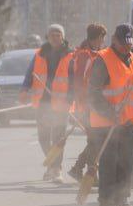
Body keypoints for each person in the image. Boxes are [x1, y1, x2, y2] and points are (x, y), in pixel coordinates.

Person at [87, 24, 133, 206]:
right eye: (124, 44)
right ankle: (106, 201)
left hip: (127, 121)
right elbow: (93, 94)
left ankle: (123, 200)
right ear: (114, 40)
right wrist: (111, 113)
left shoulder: (132, 57)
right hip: (106, 123)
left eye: (130, 44)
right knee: (109, 163)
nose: (128, 47)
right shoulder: (102, 60)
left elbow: (130, 85)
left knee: (126, 162)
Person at [23, 24, 73, 181]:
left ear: (63, 37)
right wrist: (24, 89)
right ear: (47, 37)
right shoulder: (39, 54)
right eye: (52, 34)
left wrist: (70, 99)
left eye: (58, 34)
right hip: (43, 102)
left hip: (61, 102)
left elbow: (74, 78)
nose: (55, 37)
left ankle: (56, 168)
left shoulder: (70, 55)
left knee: (58, 138)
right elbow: (30, 74)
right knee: (43, 137)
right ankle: (52, 165)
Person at [66, 23, 108, 184]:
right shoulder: (84, 56)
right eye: (102, 38)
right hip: (87, 106)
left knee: (95, 139)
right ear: (97, 38)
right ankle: (88, 172)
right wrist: (84, 105)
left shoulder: (93, 53)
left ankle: (78, 168)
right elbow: (81, 83)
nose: (103, 42)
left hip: (93, 105)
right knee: (95, 140)